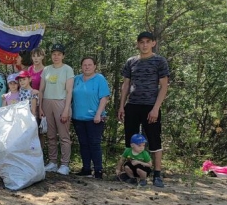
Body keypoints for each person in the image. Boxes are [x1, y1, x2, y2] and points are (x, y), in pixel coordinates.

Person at [117, 31, 170, 188]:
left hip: (150, 106)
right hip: (132, 105)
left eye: (148, 41)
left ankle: (157, 175)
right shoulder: (131, 61)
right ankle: (130, 173)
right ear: (137, 44)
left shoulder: (159, 61)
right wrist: (121, 106)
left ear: (153, 43)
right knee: (130, 140)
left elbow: (164, 86)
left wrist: (156, 108)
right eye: (141, 42)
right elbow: (126, 84)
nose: (144, 45)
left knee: (154, 140)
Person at [71, 56, 110, 179]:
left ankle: (98, 170)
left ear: (94, 66)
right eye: (84, 65)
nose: (87, 67)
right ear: (81, 66)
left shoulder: (99, 79)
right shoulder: (76, 79)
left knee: (94, 143)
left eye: (89, 65)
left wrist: (99, 113)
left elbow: (104, 97)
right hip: (78, 117)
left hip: (95, 118)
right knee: (83, 144)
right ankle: (86, 169)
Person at [39, 44, 74, 175]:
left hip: (61, 102)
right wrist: (41, 107)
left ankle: (65, 164)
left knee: (64, 136)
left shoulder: (67, 69)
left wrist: (66, 109)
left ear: (63, 56)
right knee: (50, 135)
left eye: (59, 54)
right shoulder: (46, 69)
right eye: (54, 54)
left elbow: (69, 91)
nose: (56, 56)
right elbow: (41, 90)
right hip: (47, 102)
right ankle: (53, 162)